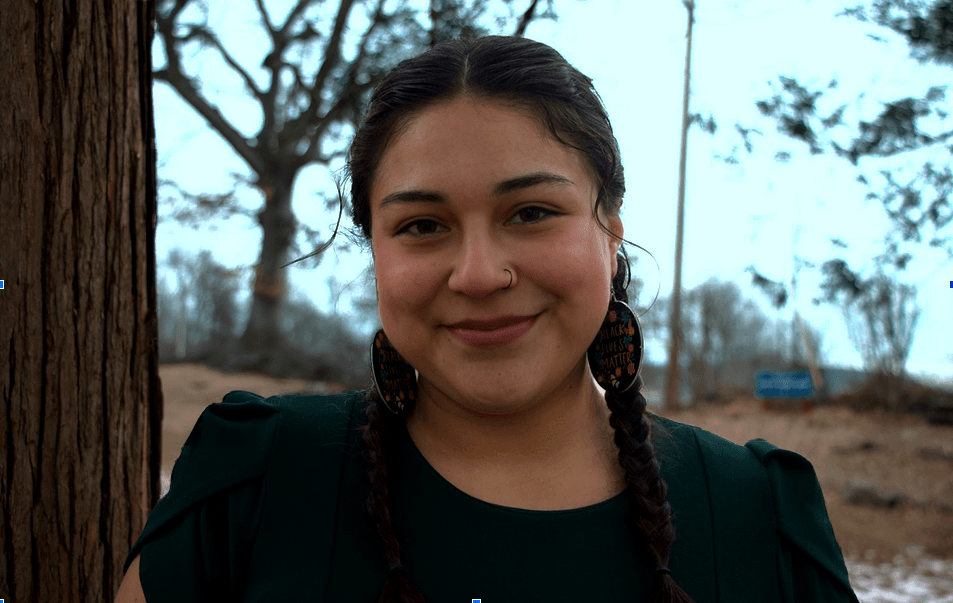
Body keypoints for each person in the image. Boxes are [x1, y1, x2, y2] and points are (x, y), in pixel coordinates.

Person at [115, 35, 859, 603]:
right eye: (422, 225)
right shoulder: (255, 483)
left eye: (531, 212)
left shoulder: (757, 515)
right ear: (373, 248)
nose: (478, 274)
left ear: (610, 230)